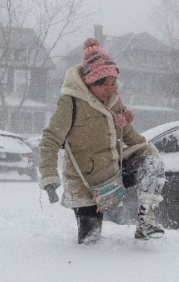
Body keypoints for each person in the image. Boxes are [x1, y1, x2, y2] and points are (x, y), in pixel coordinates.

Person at [39, 38, 166, 244]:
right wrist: (49, 178)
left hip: (113, 173)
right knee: (90, 241)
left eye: (112, 83)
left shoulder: (114, 103)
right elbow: (50, 139)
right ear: (90, 82)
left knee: (152, 163)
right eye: (103, 84)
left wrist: (152, 152)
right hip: (85, 183)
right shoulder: (71, 102)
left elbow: (129, 135)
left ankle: (146, 223)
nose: (110, 89)